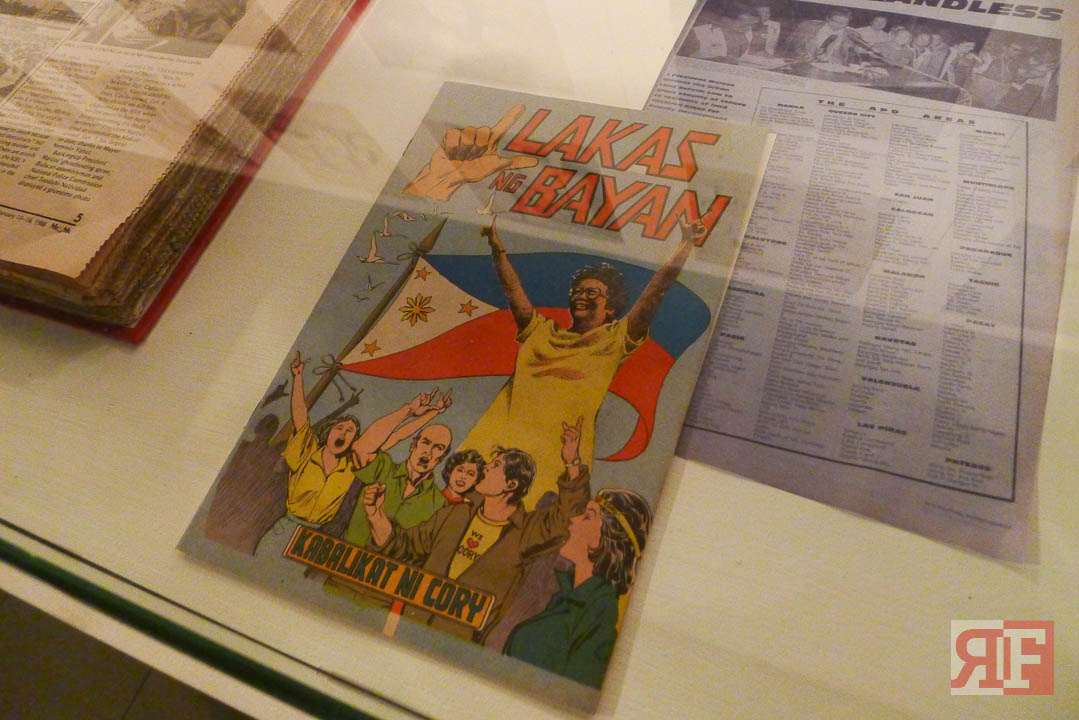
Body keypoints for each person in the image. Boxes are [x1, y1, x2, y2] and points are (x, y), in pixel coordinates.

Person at [460, 217, 701, 508]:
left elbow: (655, 293)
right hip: (498, 443)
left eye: (592, 292)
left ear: (610, 307)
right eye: (577, 291)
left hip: (557, 457)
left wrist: (686, 244)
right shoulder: (540, 331)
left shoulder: (615, 339)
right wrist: (496, 247)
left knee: (537, 524)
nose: (580, 296)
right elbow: (512, 290)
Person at [362, 419, 591, 644]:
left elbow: (568, 516)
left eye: (495, 466)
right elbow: (402, 545)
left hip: (458, 644)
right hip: (408, 631)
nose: (485, 468)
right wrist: (374, 514)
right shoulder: (455, 514)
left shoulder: (525, 531)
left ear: (510, 485)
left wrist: (572, 462)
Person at [503, 487, 652, 688]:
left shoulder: (599, 614)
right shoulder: (564, 596)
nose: (573, 520)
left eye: (588, 516)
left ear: (605, 539)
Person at [338, 388, 454, 551]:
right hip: (342, 555)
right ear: (413, 445)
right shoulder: (384, 467)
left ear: (441, 457)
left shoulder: (439, 503)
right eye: (425, 443)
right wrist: (409, 410)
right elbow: (361, 448)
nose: (428, 452)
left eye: (438, 448)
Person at [784, 9, 856, 64]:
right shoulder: (809, 26)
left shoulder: (851, 36)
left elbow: (851, 57)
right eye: (834, 21)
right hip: (804, 62)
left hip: (830, 67)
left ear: (847, 24)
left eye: (842, 23)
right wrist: (801, 55)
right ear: (827, 18)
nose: (837, 25)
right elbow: (790, 44)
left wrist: (840, 61)